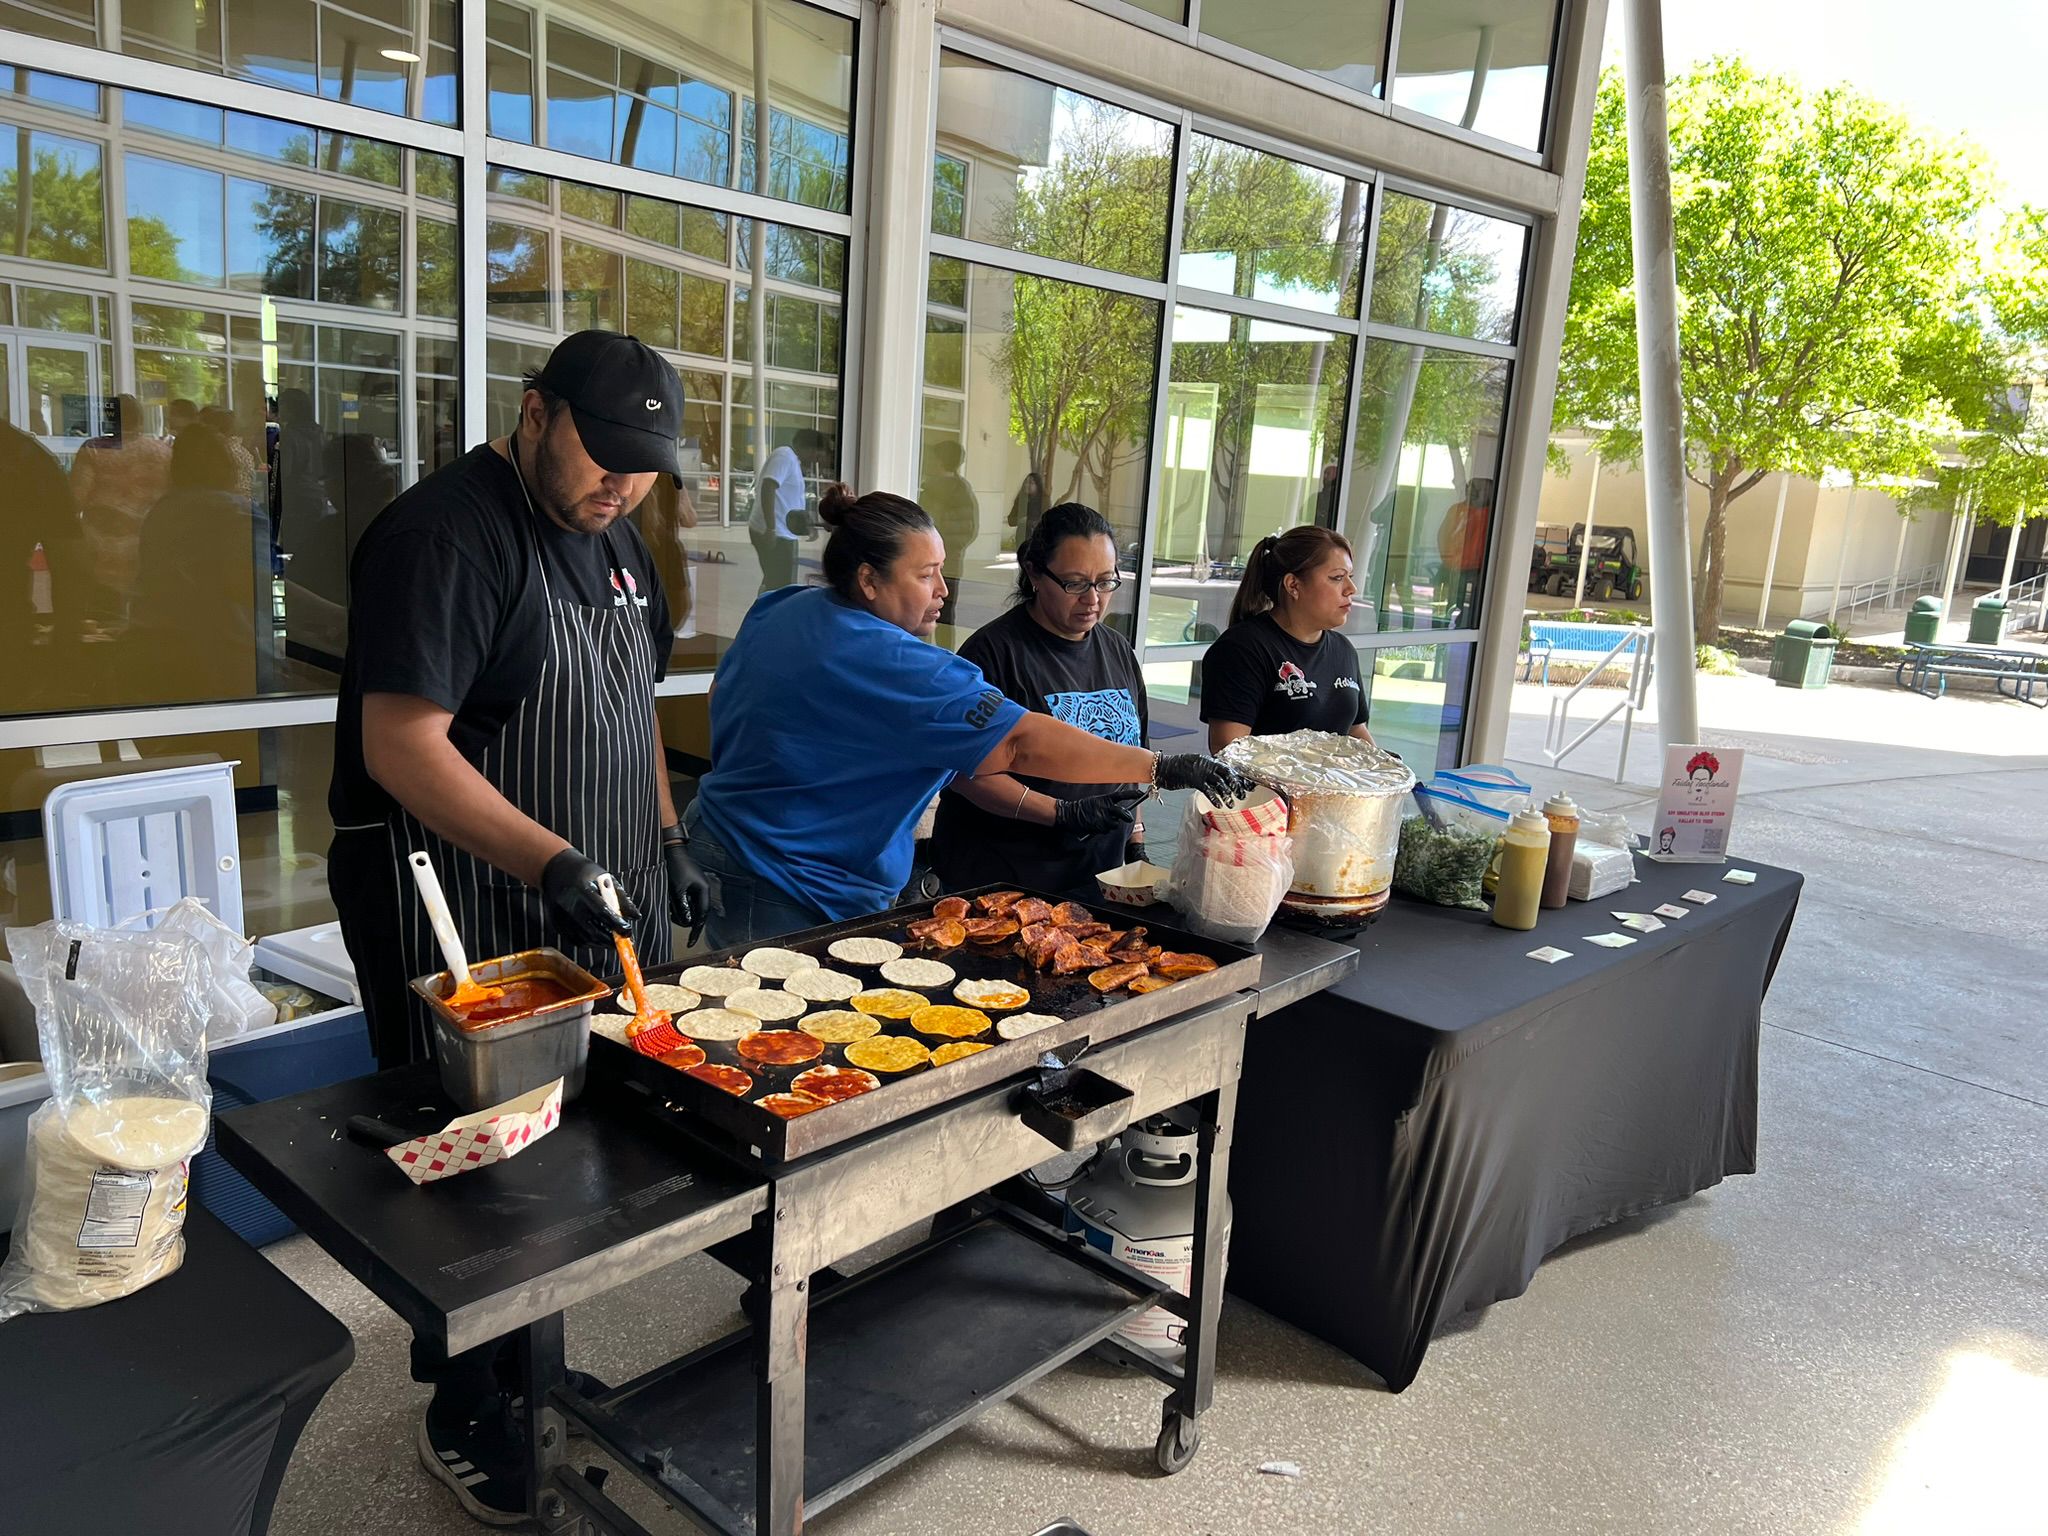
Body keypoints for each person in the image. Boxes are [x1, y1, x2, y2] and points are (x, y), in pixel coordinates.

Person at [325, 330, 711, 1525]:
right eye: (604, 453)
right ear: (535, 411)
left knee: (571, 1152)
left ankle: (528, 1365)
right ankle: (462, 1402)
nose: (622, 484)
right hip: (456, 897)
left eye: (644, 465)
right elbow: (401, 746)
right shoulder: (446, 534)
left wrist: (666, 837)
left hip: (586, 884)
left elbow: (630, 707)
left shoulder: (618, 537)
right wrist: (551, 860)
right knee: (476, 1171)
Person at [684, 484, 1248, 947]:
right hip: (792, 880)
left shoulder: (783, 605)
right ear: (869, 580)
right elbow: (1019, 744)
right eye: (925, 574)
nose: (943, 590)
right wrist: (1162, 767)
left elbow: (721, 695)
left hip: (725, 838)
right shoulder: (901, 664)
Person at [931, 502, 1150, 894]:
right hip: (1006, 882)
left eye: (1105, 582)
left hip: (1097, 877)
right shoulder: (991, 654)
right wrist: (1061, 814)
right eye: (1075, 584)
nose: (1093, 600)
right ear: (1034, 573)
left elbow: (1134, 757)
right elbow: (963, 774)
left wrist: (1136, 839)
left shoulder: (1118, 650)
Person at [1202, 524, 1375, 752]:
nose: (1351, 588)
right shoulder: (1241, 649)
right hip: (1264, 777)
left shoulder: (1343, 650)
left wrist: (1385, 769)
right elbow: (1228, 749)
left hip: (1332, 777)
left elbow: (1356, 730)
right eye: (1337, 578)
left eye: (1350, 577)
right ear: (1293, 585)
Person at [70, 393, 170, 631]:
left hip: (102, 551)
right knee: (143, 624)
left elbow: (75, 499)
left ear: (109, 418)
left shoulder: (94, 450)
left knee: (102, 624)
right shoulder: (164, 452)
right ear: (140, 418)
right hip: (148, 549)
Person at [748, 426, 828, 594]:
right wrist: (770, 528)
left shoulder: (792, 461)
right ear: (808, 448)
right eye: (816, 455)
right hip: (776, 533)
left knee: (775, 581)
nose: (815, 461)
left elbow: (790, 500)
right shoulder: (785, 456)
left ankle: (764, 606)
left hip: (783, 532)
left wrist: (808, 525)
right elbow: (768, 487)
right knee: (780, 585)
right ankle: (767, 608)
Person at [919, 439, 979, 630]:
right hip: (944, 562)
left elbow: (967, 530)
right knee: (936, 614)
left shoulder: (951, 492)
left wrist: (940, 551)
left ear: (940, 461)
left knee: (937, 614)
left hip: (943, 563)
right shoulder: (959, 491)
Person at [1436, 476, 1493, 628]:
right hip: (1452, 568)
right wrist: (1448, 560)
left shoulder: (1492, 516)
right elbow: (1443, 536)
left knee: (1470, 614)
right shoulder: (1456, 510)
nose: (1472, 491)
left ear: (1489, 493)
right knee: (1445, 609)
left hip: (1475, 573)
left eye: (1479, 489)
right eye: (1470, 486)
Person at [1006, 469, 1046, 550]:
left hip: (1037, 538)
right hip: (1021, 538)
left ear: (1037, 486)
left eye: (1031, 483)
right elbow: (1011, 520)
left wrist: (1029, 521)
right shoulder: (1020, 500)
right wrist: (1020, 520)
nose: (1027, 485)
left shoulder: (1043, 501)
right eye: (1026, 482)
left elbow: (1045, 521)